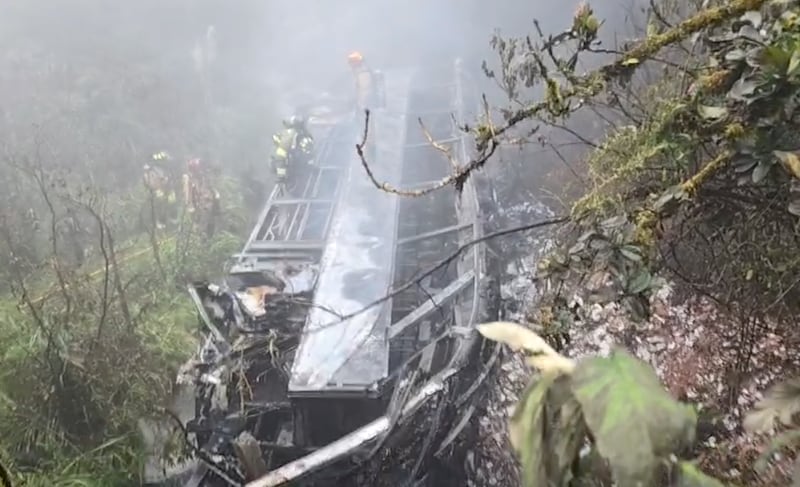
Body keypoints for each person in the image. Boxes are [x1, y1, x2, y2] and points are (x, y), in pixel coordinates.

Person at [270, 115, 315, 195]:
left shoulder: (285, 134)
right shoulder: (296, 134)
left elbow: (308, 149)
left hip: (293, 158)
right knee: (281, 162)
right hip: (289, 159)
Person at [182, 158, 221, 236]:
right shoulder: (188, 179)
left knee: (209, 225)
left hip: (205, 206)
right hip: (197, 207)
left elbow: (210, 189)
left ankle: (207, 237)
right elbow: (188, 194)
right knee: (198, 227)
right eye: (197, 169)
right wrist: (191, 206)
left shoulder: (203, 178)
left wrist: (214, 197)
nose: (199, 171)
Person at [143, 151, 178, 229]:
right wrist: (157, 187)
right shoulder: (153, 170)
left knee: (172, 202)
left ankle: (173, 220)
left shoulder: (165, 168)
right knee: (161, 204)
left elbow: (169, 177)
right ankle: (161, 223)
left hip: (168, 188)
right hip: (158, 189)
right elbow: (151, 182)